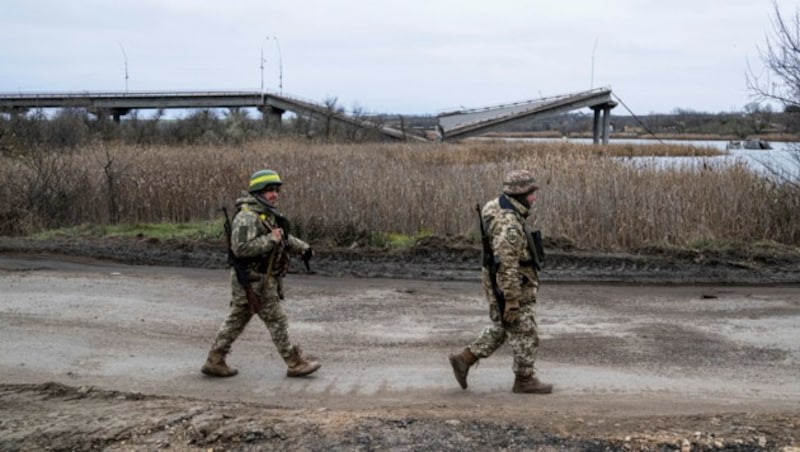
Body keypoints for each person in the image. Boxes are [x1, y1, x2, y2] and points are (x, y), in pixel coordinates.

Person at [201, 169, 321, 378]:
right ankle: (294, 363)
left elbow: (281, 236)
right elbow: (240, 248)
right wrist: (271, 241)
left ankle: (215, 359)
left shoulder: (264, 213)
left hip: (258, 279)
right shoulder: (247, 217)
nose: (275, 195)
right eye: (269, 191)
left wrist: (304, 248)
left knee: (237, 320)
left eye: (276, 190)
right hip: (254, 280)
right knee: (277, 321)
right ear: (257, 192)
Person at [448, 169, 553, 394]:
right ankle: (525, 379)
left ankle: (464, 359)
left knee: (504, 326)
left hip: (502, 281)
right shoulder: (509, 224)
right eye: (531, 193)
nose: (534, 198)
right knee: (525, 330)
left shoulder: (497, 206)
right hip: (511, 283)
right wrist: (512, 299)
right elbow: (507, 262)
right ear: (520, 194)